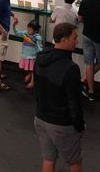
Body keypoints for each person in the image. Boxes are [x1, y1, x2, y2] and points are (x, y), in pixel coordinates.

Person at [34, 23, 85, 172]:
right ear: (64, 40)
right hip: (61, 123)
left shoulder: (40, 59)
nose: (77, 41)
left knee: (48, 159)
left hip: (41, 119)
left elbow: (37, 89)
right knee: (75, 162)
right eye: (74, 38)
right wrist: (79, 126)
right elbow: (75, 102)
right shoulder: (71, 68)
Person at [13, 19, 43, 89]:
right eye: (28, 28)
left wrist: (34, 43)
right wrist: (14, 26)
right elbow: (17, 33)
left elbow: (39, 48)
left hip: (32, 56)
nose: (28, 30)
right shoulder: (25, 33)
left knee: (32, 70)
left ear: (35, 31)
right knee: (28, 68)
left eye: (30, 29)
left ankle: (32, 82)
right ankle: (29, 75)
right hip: (25, 54)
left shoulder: (37, 37)